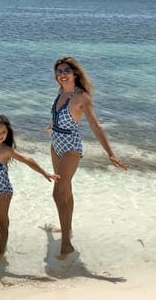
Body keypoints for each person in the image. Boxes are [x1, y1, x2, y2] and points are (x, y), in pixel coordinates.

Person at [48, 56, 128, 259]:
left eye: (66, 71)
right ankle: (68, 229)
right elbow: (59, 115)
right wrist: (53, 125)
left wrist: (110, 153)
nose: (62, 75)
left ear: (75, 73)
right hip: (55, 145)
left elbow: (95, 126)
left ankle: (66, 245)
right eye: (59, 72)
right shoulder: (60, 92)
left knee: (58, 194)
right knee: (66, 190)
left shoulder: (81, 97)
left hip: (70, 147)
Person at [0, 114, 60, 261]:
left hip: (3, 191)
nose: (0, 135)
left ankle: (0, 254)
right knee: (1, 218)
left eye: (3, 132)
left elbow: (27, 160)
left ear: (7, 134)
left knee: (1, 222)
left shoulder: (5, 151)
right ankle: (0, 240)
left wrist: (45, 172)